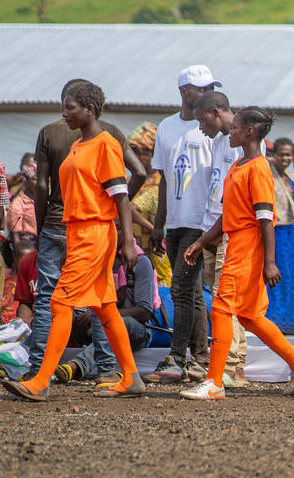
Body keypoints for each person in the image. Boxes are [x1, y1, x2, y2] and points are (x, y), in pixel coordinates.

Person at [2, 81, 145, 401]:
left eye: (70, 107)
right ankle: (132, 377)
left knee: (59, 302)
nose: (64, 113)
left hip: (94, 233)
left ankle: (40, 381)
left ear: (89, 110)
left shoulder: (105, 144)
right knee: (105, 307)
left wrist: (127, 240)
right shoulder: (80, 145)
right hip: (76, 230)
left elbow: (121, 196)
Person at [179, 107, 294, 400]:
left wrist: (270, 262)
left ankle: (215, 381)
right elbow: (227, 214)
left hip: (247, 246)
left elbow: (266, 219)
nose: (230, 133)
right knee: (249, 315)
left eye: (234, 129)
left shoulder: (258, 169)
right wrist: (203, 241)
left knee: (221, 307)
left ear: (249, 133)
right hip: (237, 241)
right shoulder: (239, 166)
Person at [145, 65, 216, 384]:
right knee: (193, 294)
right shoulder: (167, 127)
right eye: (200, 88)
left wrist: (212, 226)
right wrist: (158, 224)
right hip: (173, 222)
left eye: (209, 88)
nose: (205, 93)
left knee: (181, 290)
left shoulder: (212, 129)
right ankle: (200, 360)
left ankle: (176, 358)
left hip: (200, 223)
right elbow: (160, 179)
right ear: (184, 92)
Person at [193, 92, 247, 387]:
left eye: (203, 119)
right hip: (212, 227)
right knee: (220, 297)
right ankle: (231, 365)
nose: (201, 126)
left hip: (231, 227)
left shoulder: (245, 141)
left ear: (215, 112)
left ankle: (233, 365)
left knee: (226, 298)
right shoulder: (217, 142)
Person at [54, 226, 156, 383]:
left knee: (119, 323)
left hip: (137, 330)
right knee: (60, 314)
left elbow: (144, 311)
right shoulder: (97, 258)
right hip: (97, 326)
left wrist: (97, 316)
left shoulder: (140, 261)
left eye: (117, 230)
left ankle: (76, 365)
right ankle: (34, 364)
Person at [268, 136, 294, 335]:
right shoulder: (269, 177)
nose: (285, 158)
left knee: (293, 278)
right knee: (277, 278)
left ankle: (293, 324)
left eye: (288, 155)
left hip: (293, 236)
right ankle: (275, 323)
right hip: (276, 233)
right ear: (274, 156)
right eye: (281, 154)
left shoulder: (293, 181)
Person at [126, 122, 172, 285]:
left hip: (157, 254)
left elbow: (129, 208)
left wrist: (155, 230)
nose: (139, 156)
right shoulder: (131, 180)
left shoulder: (161, 183)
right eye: (135, 151)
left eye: (145, 151)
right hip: (132, 255)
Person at [7, 162, 37, 246]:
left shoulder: (42, 199)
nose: (39, 182)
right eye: (35, 179)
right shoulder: (17, 204)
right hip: (27, 245)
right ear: (25, 180)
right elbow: (15, 235)